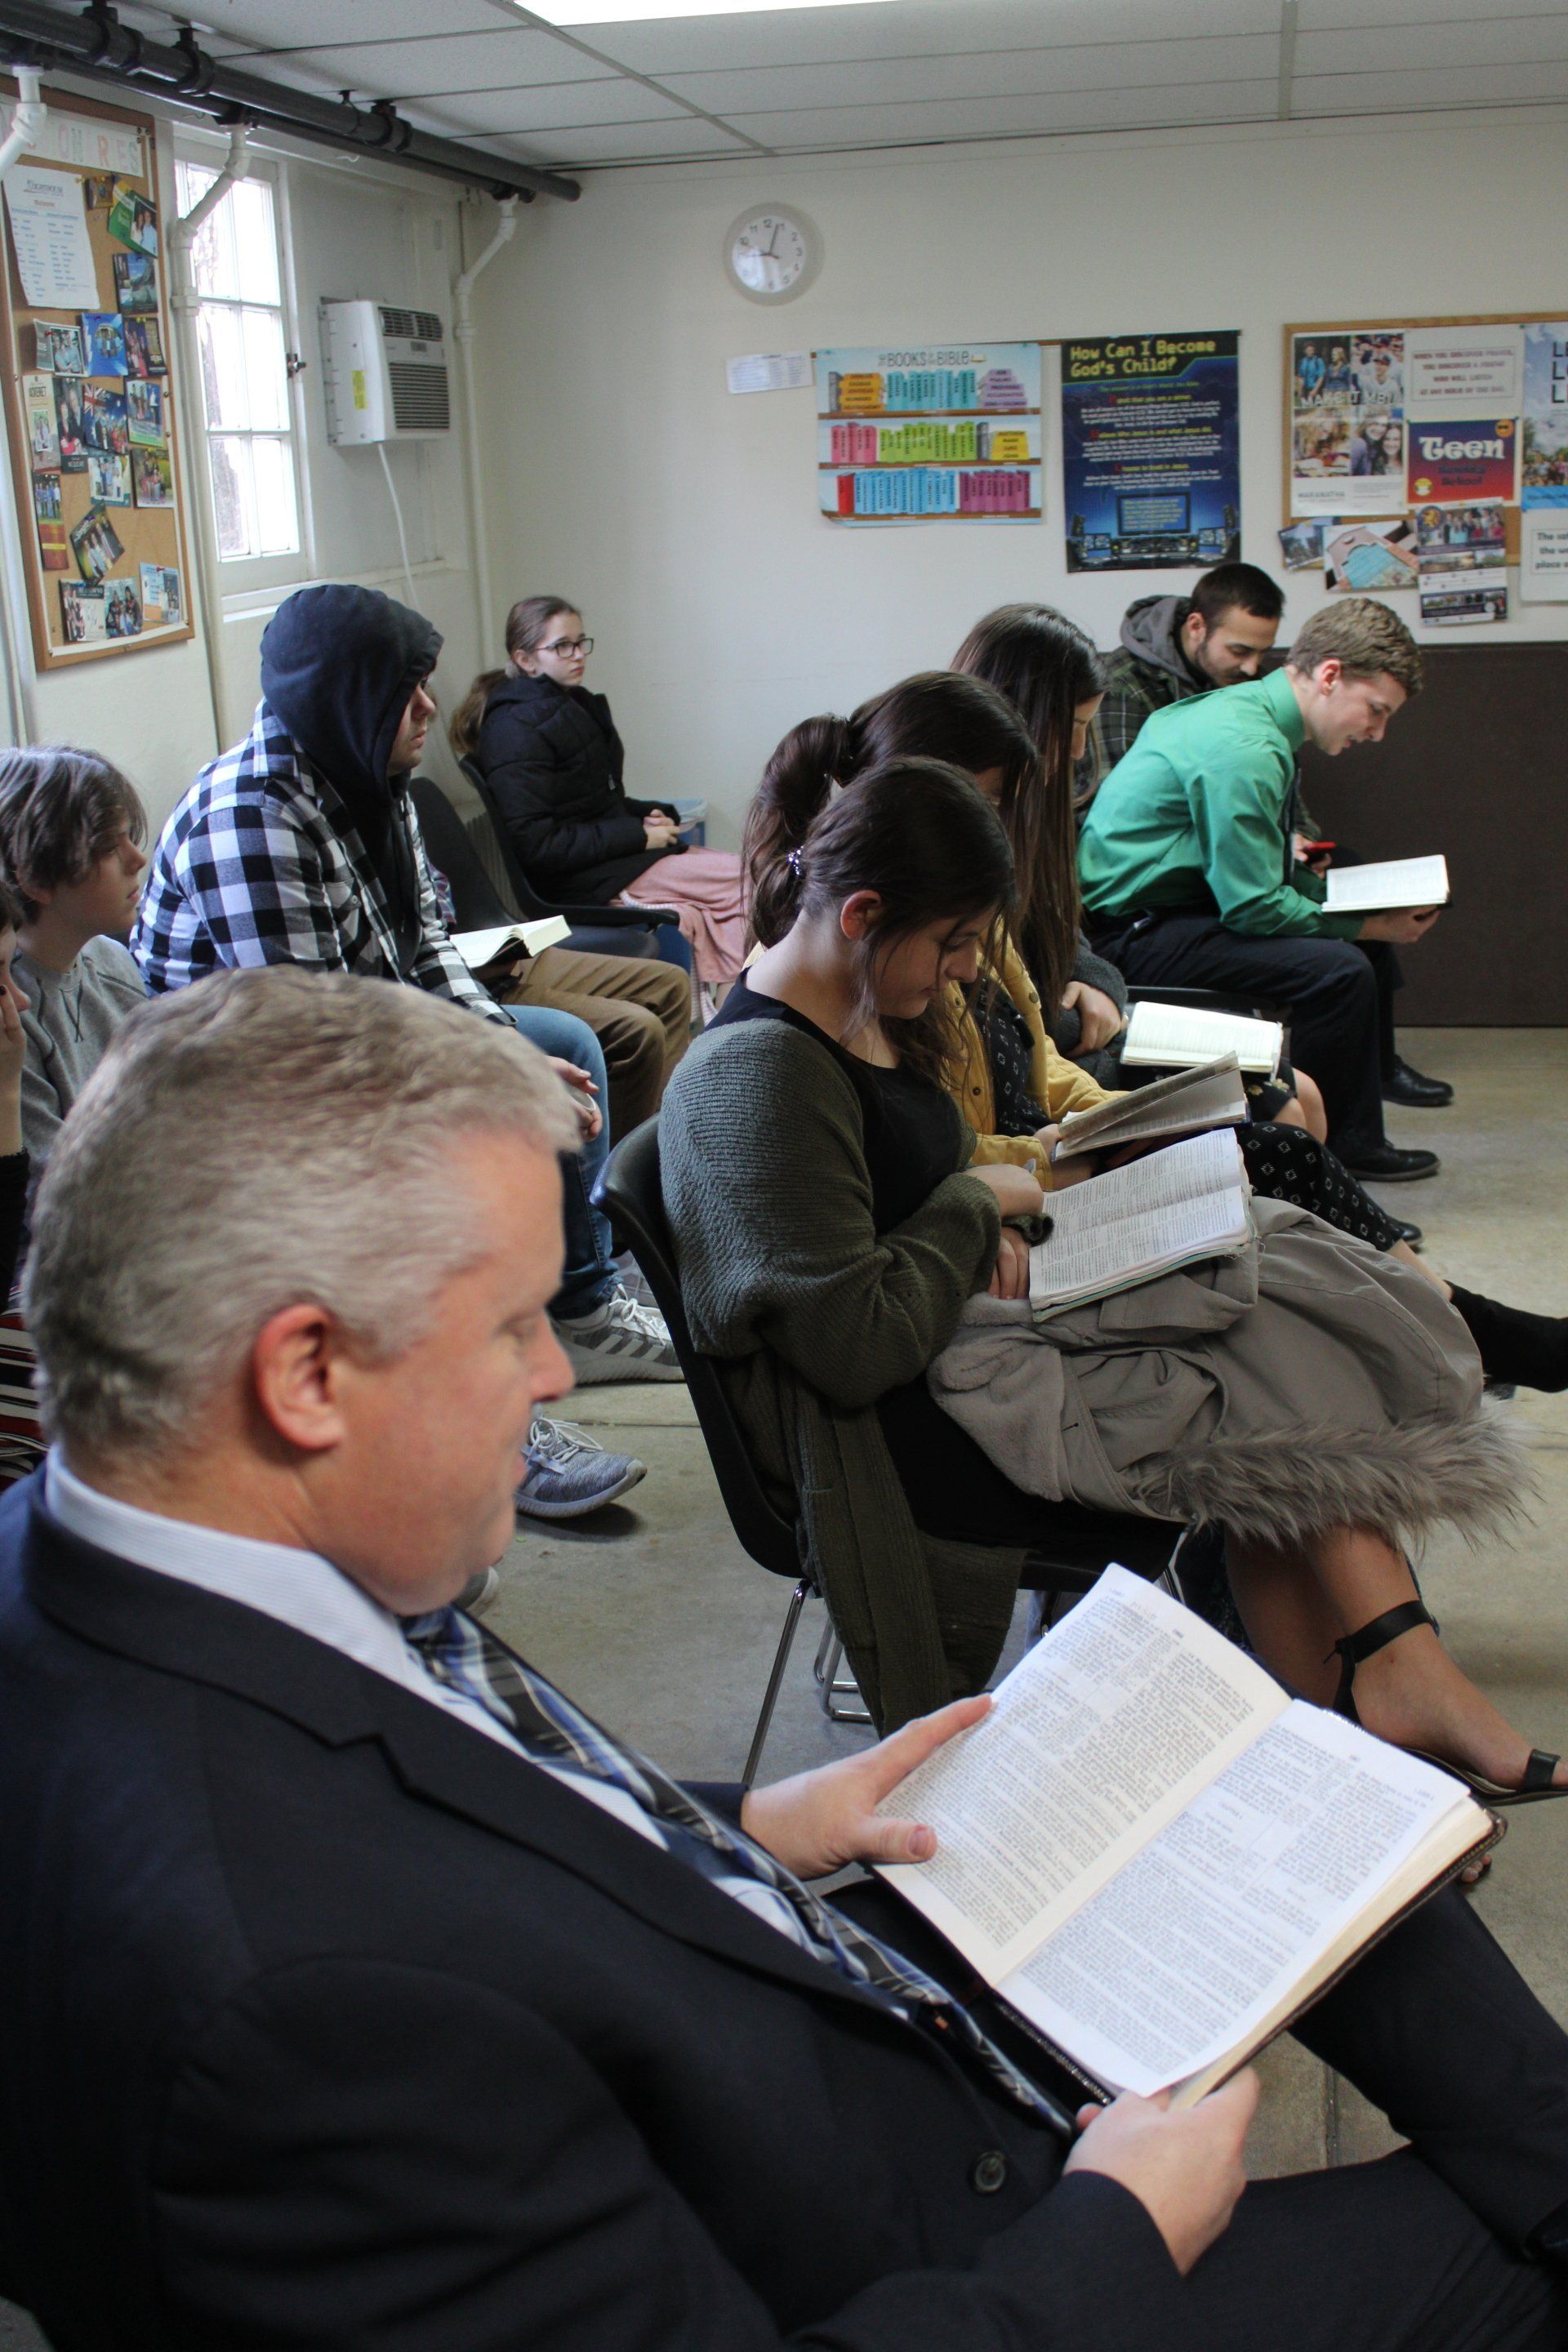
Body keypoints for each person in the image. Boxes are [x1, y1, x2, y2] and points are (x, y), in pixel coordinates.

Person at [8, 964, 1568, 2352]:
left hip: (748, 2009)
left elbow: (446, 1804)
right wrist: (1115, 2232)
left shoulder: (102, 1551)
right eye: (510, 1326)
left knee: (1270, 1822)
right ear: (305, 1374)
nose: (554, 1374)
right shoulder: (292, 2012)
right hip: (917, 2237)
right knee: (1498, 2257)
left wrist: (746, 1822)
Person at [132, 583, 670, 1515]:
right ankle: (484, 1430)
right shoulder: (251, 814)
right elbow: (315, 1040)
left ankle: (580, 1307)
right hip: (240, 1106)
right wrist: (477, 1083)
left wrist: (501, 1052)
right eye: (404, 692)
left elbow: (423, 952)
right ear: (343, 701)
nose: (428, 708)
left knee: (563, 1048)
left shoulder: (369, 781)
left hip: (353, 1044)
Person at [1080, 599, 1446, 1183]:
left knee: (1357, 941)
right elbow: (1251, 906)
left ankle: (1357, 1131)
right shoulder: (1247, 746)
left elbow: (1249, 870)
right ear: (1330, 676)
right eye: (1376, 711)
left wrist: (1348, 910)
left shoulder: (1250, 714)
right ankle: (1329, 1163)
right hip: (1132, 934)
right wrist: (1370, 924)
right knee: (1340, 970)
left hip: (1173, 907)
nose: (1377, 733)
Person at [451, 596, 747, 993]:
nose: (578, 654)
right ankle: (739, 1015)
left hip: (613, 863)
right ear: (525, 659)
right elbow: (539, 845)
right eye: (562, 646)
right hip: (588, 881)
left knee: (753, 889)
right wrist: (638, 835)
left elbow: (596, 805)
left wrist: (651, 815)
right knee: (754, 883)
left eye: (580, 642)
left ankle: (735, 1012)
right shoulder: (515, 728)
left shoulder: (569, 704)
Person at [1092, 562, 1285, 772]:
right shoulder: (1121, 685)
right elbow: (1118, 790)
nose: (1252, 669)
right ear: (1196, 626)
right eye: (1239, 651)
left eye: (1263, 652)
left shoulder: (1246, 678)